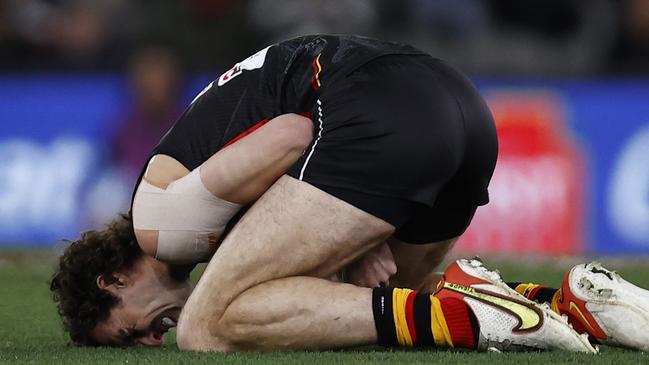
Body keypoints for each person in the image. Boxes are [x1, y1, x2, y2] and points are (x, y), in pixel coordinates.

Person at [50, 34, 648, 352]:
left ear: (114, 281)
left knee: (206, 328)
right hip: (459, 108)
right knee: (385, 298)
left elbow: (292, 133)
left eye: (131, 331)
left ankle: (476, 314)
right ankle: (577, 303)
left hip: (378, 117)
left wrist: (358, 227)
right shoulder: (184, 199)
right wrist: (357, 227)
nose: (151, 338)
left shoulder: (162, 223)